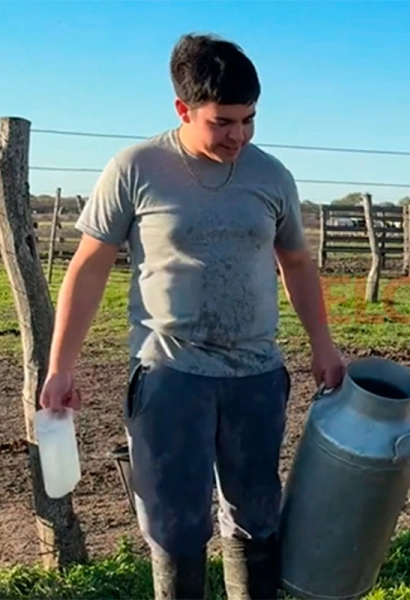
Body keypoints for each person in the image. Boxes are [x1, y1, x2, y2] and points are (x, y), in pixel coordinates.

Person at [39, 33, 346, 599]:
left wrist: (322, 345)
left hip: (256, 375)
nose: (240, 135)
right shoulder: (136, 168)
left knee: (257, 516)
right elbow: (87, 269)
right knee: (177, 526)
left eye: (250, 119)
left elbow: (297, 263)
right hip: (169, 376)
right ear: (183, 109)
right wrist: (61, 366)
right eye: (223, 122)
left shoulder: (271, 175)